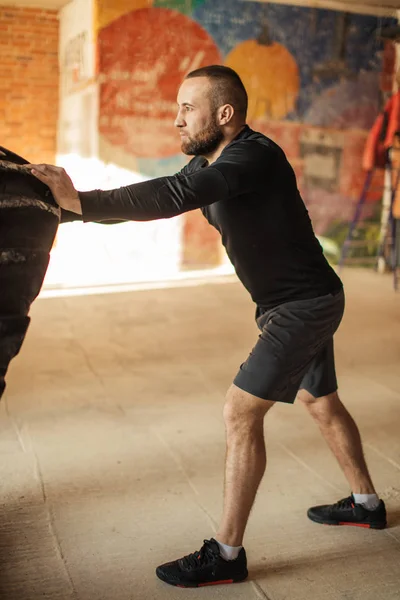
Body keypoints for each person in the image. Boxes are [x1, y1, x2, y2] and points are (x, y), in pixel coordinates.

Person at [28, 65, 387, 589]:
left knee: (240, 412)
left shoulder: (253, 156)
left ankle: (226, 554)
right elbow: (168, 195)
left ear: (225, 114)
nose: (177, 120)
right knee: (320, 400)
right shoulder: (208, 160)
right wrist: (71, 213)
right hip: (294, 301)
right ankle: (367, 505)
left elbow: (173, 197)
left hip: (303, 305)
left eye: (186, 108)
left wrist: (80, 199)